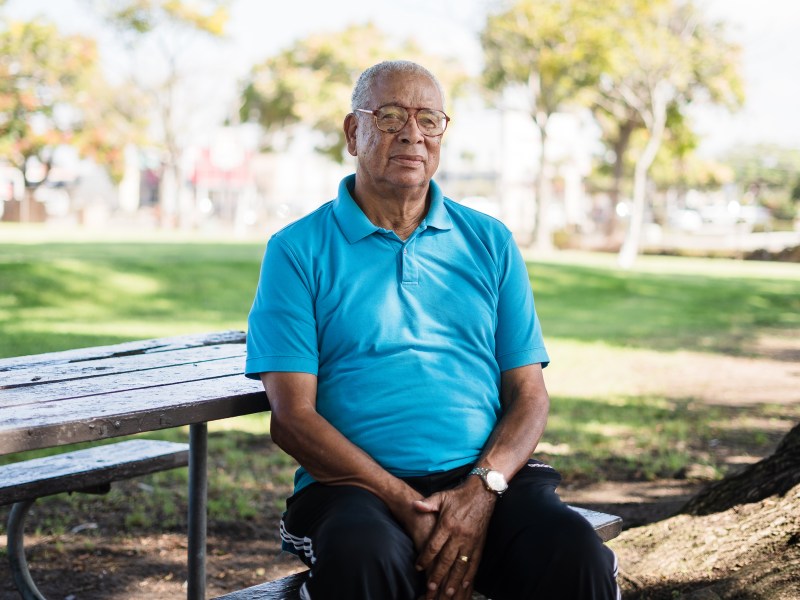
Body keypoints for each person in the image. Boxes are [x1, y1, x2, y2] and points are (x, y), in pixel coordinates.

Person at [246, 60, 619, 600]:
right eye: (391, 116)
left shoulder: (490, 242)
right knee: (364, 559)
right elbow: (292, 419)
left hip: (488, 477)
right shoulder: (297, 251)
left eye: (429, 119)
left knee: (573, 552)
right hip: (354, 489)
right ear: (354, 132)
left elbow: (529, 394)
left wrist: (481, 490)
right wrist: (404, 502)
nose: (412, 134)